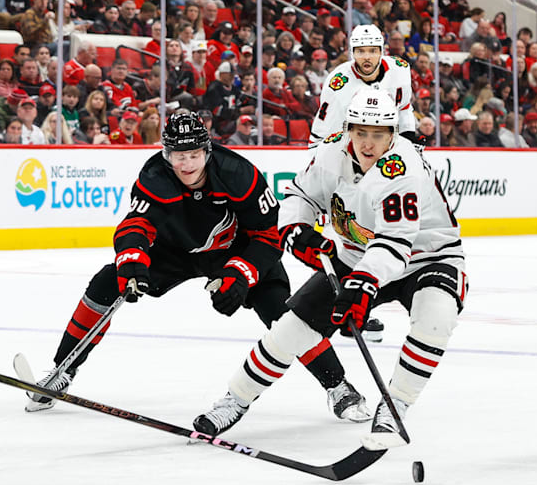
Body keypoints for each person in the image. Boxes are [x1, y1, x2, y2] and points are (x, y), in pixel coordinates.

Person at [26, 110, 370, 425]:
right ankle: (63, 369)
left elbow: (267, 237)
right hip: (175, 251)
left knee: (283, 314)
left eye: (193, 155)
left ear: (207, 152)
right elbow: (136, 226)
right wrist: (131, 262)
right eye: (179, 156)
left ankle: (338, 386)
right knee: (106, 282)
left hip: (237, 250)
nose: (187, 163)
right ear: (167, 155)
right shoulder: (154, 176)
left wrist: (239, 274)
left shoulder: (238, 174)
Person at [193, 89, 464, 443]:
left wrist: (363, 285)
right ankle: (234, 400)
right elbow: (299, 196)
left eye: (378, 134)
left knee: (436, 318)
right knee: (290, 329)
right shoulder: (331, 150)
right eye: (360, 132)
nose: (368, 144)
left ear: (393, 135)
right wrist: (296, 229)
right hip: (356, 256)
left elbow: (396, 241)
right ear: (348, 128)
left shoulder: (404, 168)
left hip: (427, 257)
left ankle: (395, 405)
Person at [310, 24, 417, 145]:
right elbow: (323, 133)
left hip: (387, 141)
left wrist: (409, 141)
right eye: (361, 51)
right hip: (350, 145)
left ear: (382, 51)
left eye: (372, 51)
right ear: (352, 53)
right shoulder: (338, 83)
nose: (367, 57)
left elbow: (404, 108)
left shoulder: (400, 69)